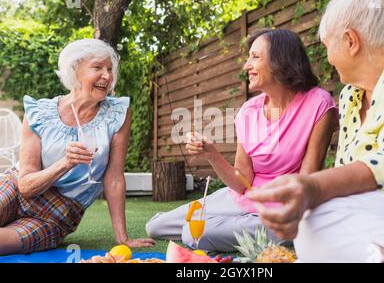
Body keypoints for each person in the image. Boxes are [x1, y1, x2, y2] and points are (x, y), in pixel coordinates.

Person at [248, 0, 384, 263]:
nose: (328, 58)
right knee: (313, 221)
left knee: (319, 216)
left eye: (327, 45)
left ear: (350, 41)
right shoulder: (350, 98)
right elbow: (351, 178)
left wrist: (314, 187)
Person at [145, 29, 338, 252]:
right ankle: (231, 227)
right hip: (242, 198)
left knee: (195, 232)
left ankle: (279, 234)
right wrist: (211, 154)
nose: (246, 65)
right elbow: (242, 180)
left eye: (254, 57)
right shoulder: (248, 111)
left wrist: (275, 212)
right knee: (156, 227)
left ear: (280, 61)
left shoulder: (319, 104)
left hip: (284, 209)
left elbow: (308, 179)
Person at [0, 39, 154, 255]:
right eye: (98, 67)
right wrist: (66, 163)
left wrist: (123, 238)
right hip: (16, 188)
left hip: (58, 213)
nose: (107, 76)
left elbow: (115, 177)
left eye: (110, 69)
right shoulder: (39, 112)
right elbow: (25, 186)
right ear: (75, 70)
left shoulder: (117, 113)